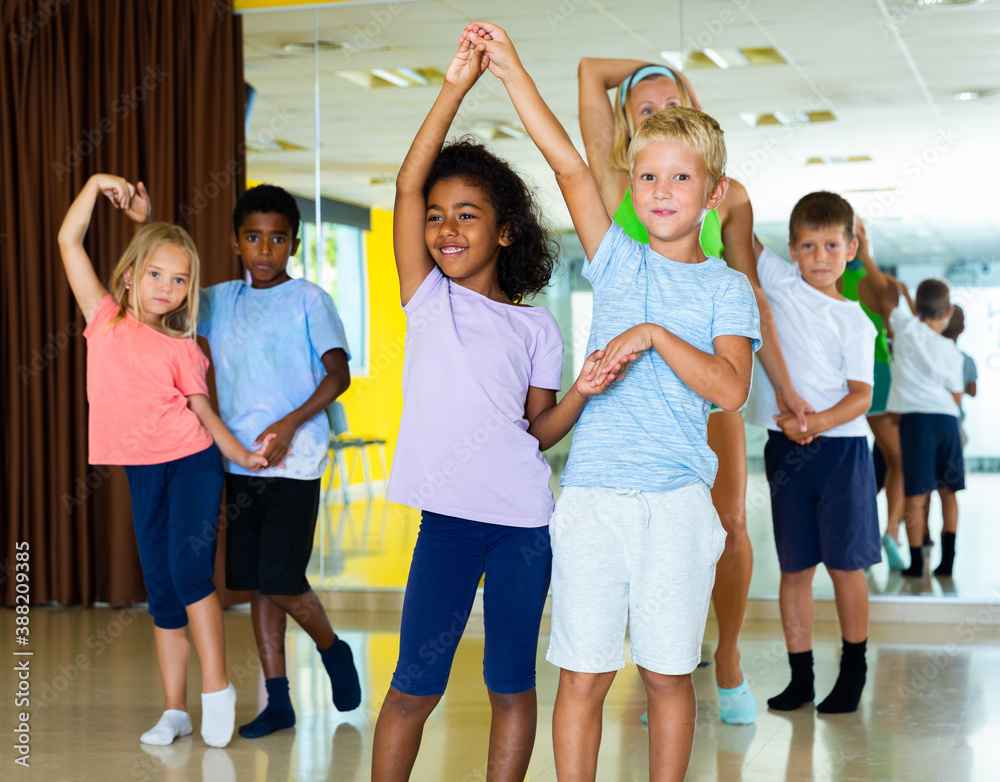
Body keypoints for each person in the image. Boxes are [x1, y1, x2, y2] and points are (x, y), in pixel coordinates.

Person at [470, 22, 760, 780]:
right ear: (631, 185)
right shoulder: (617, 258)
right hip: (594, 497)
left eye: (681, 178)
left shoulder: (727, 289)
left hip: (674, 506)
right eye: (648, 178)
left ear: (713, 192)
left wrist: (656, 335)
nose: (662, 192)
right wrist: (508, 68)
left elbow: (731, 390)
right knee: (584, 675)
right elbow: (566, 160)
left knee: (667, 676)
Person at [371, 34, 628, 782]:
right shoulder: (427, 300)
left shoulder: (536, 325)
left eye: (467, 215)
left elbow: (538, 432)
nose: (446, 228)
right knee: (414, 688)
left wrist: (586, 386)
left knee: (511, 689)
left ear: (504, 231)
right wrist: (453, 87)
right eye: (437, 217)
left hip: (523, 524)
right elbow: (405, 185)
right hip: (447, 528)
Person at [577, 55, 813, 724]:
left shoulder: (723, 195)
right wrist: (658, 64)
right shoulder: (617, 180)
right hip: (629, 388)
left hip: (704, 375)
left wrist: (786, 390)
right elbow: (590, 70)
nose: (656, 115)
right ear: (627, 122)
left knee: (729, 521)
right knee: (638, 524)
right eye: (644, 109)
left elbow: (751, 296)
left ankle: (729, 654)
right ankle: (659, 660)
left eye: (670, 103)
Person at [58, 174, 273, 747]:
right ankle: (175, 708)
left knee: (187, 571)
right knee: (161, 586)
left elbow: (203, 414)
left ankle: (217, 688)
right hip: (143, 469)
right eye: (155, 274)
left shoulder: (182, 347)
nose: (166, 288)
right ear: (129, 275)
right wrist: (97, 184)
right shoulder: (103, 320)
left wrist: (242, 456)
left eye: (179, 281)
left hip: (192, 463)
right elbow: (67, 240)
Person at [197, 184, 361, 738]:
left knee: (283, 580)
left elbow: (337, 375)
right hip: (240, 463)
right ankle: (279, 701)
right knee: (261, 586)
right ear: (235, 241)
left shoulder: (311, 300)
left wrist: (290, 423)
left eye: (276, 239)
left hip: (297, 461)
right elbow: (156, 300)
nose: (264, 250)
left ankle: (332, 648)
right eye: (252, 237)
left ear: (293, 242)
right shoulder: (217, 301)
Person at [746, 191, 880, 714]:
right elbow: (737, 218)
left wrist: (814, 422)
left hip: (842, 450)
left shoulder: (856, 321)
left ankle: (854, 669)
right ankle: (800, 676)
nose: (819, 256)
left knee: (847, 567)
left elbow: (862, 396)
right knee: (795, 568)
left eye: (831, 245)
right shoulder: (778, 280)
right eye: (808, 245)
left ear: (850, 249)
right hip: (787, 449)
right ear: (792, 249)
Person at [837, 218, 910, 570]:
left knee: (862, 463)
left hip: (845, 380)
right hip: (875, 376)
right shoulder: (884, 284)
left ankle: (866, 538)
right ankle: (889, 533)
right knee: (898, 462)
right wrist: (869, 252)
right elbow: (889, 306)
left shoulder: (831, 281)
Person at [887, 279, 966, 578]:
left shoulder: (906, 330)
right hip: (946, 420)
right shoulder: (951, 350)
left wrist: (904, 292)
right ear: (948, 313)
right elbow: (956, 395)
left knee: (916, 493)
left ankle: (917, 561)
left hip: (915, 420)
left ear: (917, 309)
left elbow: (897, 308)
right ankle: (947, 562)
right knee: (949, 491)